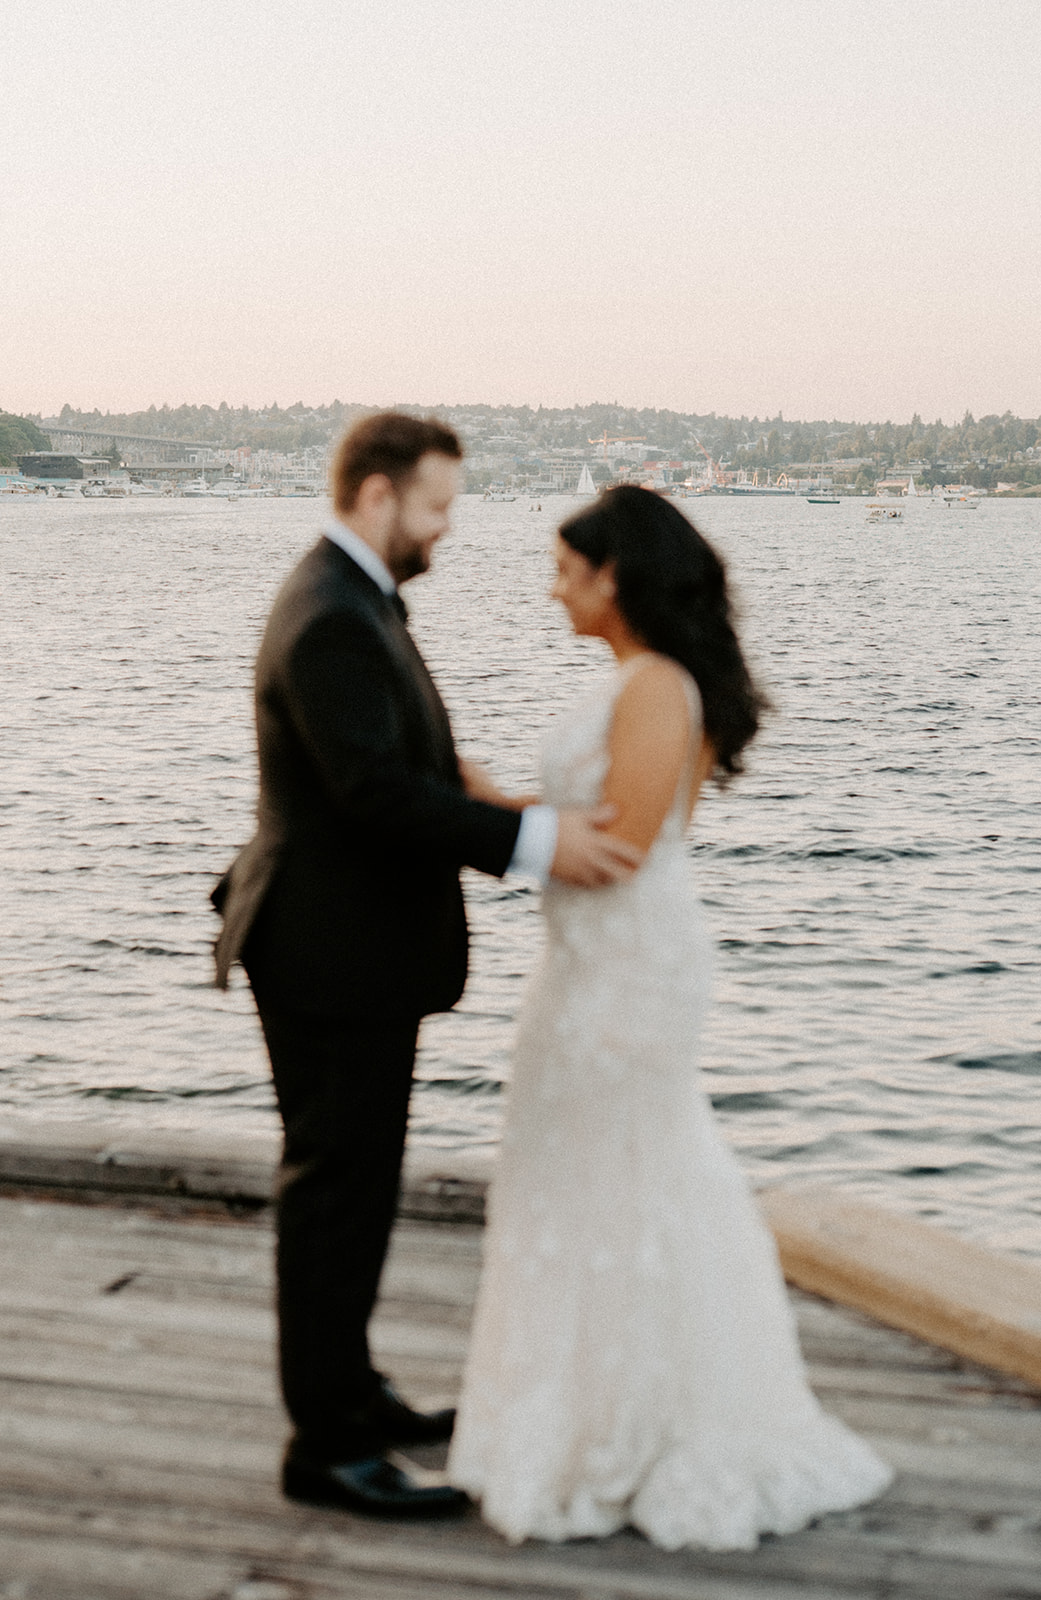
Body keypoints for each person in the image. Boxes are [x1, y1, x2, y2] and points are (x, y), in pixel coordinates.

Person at [210, 413, 640, 1520]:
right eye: (438, 505)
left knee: (356, 1182)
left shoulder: (352, 601)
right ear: (376, 497)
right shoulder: (332, 619)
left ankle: (349, 1390)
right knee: (334, 1191)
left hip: (342, 943)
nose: (447, 526)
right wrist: (539, 841)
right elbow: (371, 793)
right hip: (324, 946)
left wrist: (488, 786)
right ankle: (326, 1447)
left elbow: (403, 753)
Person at [448, 486, 892, 1550]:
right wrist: (479, 794)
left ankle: (647, 1422)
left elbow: (627, 838)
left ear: (616, 576)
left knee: (624, 1167)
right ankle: (587, 1403)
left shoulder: (654, 686)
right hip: (589, 963)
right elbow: (585, 826)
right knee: (582, 1170)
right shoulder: (630, 681)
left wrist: (482, 813)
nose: (553, 587)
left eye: (566, 568)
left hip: (628, 967)